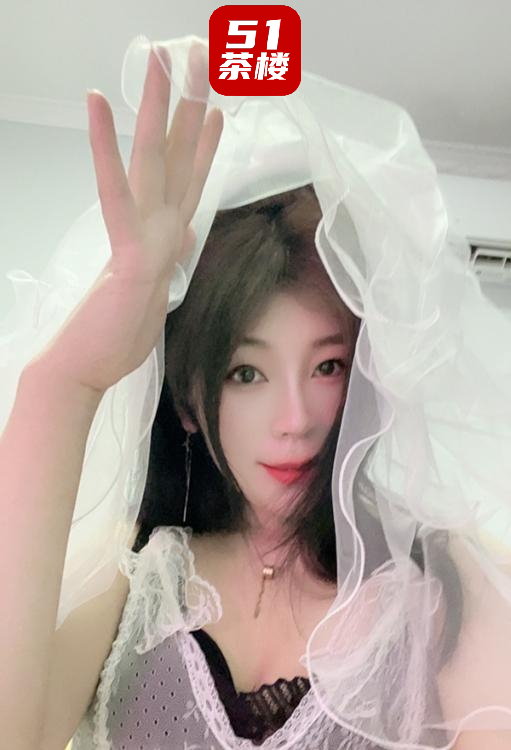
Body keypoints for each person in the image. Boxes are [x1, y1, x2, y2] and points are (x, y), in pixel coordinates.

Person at [1, 35, 511, 750]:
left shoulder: (444, 583)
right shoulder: (133, 575)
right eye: (246, 373)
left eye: (327, 366)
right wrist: (64, 383)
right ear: (188, 400)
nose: (296, 420)